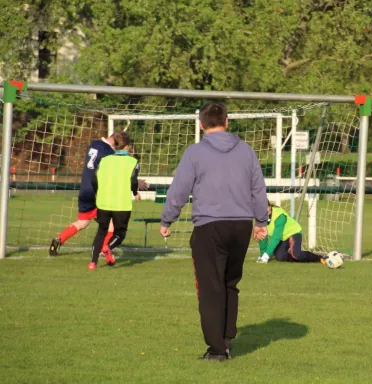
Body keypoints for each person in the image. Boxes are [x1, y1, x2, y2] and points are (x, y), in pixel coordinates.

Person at [159, 102, 268, 362]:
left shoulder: (195, 153)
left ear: (200, 124)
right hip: (241, 226)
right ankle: (227, 338)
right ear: (227, 122)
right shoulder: (247, 151)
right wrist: (261, 220)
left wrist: (167, 219)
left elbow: (179, 189)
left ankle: (216, 350)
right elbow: (258, 188)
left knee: (210, 288)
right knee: (230, 283)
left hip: (209, 226)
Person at [48, 131, 148, 256]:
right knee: (112, 222)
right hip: (97, 191)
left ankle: (59, 239)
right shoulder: (109, 153)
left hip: (84, 189)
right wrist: (135, 183)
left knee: (83, 222)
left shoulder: (94, 144)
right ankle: (103, 249)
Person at [88, 134, 141, 270]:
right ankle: (108, 247)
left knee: (101, 231)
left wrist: (97, 192)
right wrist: (135, 193)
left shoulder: (104, 160)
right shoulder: (133, 162)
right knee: (120, 233)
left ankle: (92, 263)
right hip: (121, 204)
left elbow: (94, 179)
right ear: (128, 146)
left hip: (103, 202)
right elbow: (133, 181)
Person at [256, 201, 326, 264]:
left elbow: (275, 237)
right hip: (283, 238)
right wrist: (263, 255)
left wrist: (266, 256)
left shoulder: (279, 216)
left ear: (270, 207)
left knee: (296, 255)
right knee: (280, 257)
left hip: (293, 232)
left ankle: (319, 258)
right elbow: (262, 236)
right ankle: (294, 255)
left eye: (265, 208)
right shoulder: (260, 218)